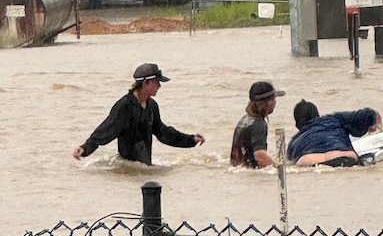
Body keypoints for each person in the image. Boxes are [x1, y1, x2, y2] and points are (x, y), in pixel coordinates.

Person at [72, 63, 205, 165]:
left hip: (144, 167)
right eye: (157, 82)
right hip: (128, 171)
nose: (160, 86)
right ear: (146, 83)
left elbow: (163, 133)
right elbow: (105, 130)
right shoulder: (124, 106)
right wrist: (84, 149)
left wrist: (191, 139)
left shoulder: (152, 106)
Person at [287, 99, 381, 167]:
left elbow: (289, 163)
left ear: (297, 125)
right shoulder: (335, 119)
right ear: (318, 115)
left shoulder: (294, 142)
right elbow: (369, 114)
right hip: (344, 156)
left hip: (311, 160)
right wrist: (375, 124)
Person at [230, 81, 286, 168]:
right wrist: (278, 170)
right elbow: (260, 155)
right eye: (274, 99)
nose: (275, 102)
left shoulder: (245, 119)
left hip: (239, 171)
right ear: (269, 102)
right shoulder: (259, 125)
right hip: (250, 176)